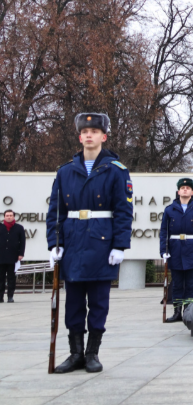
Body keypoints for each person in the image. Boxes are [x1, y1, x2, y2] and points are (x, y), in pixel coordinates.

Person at [46, 113, 133, 373]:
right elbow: (55, 211)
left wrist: (120, 245)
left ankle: (92, 353)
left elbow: (123, 211)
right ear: (79, 136)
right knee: (73, 303)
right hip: (72, 243)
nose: (89, 135)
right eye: (85, 131)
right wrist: (54, 243)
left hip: (101, 243)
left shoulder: (117, 171)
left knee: (98, 303)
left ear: (103, 137)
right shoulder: (65, 171)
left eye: (94, 131)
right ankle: (75, 354)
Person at [159, 178, 193, 324]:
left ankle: (189, 311)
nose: (185, 189)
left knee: (191, 283)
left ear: (192, 192)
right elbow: (164, 232)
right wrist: (163, 251)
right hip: (175, 249)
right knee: (177, 283)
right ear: (178, 191)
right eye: (183, 188)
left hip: (192, 248)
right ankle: (177, 312)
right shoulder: (170, 209)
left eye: (188, 188)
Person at [0, 209, 25, 303]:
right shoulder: (1, 227)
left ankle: (10, 296)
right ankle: (0, 297)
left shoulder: (19, 228)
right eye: (7, 215)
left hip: (13, 256)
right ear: (4, 217)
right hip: (1, 256)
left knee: (11, 277)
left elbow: (22, 242)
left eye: (10, 215)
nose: (9, 217)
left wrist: (21, 253)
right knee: (0, 278)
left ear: (14, 216)